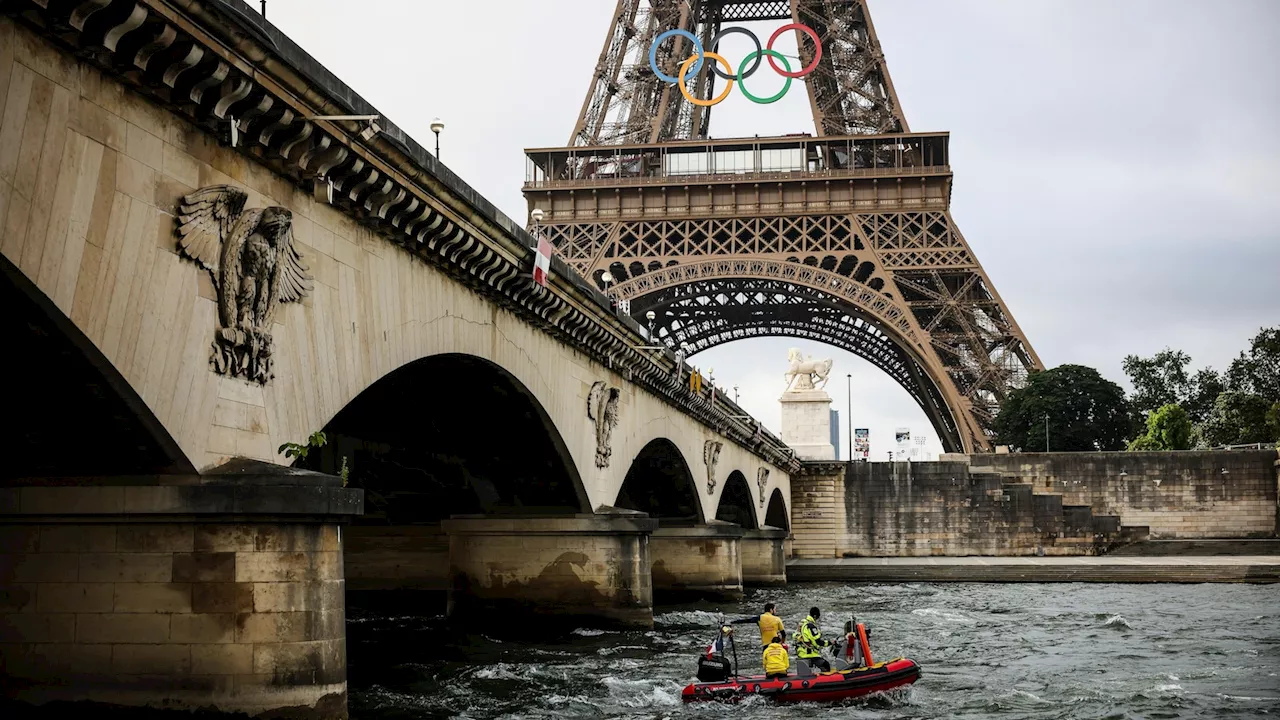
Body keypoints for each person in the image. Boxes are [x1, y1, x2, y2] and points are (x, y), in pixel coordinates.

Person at [794, 606, 833, 672]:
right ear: (815, 616)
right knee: (826, 666)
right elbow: (817, 642)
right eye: (818, 617)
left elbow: (795, 636)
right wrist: (830, 642)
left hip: (801, 653)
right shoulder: (811, 626)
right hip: (809, 654)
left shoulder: (802, 624)